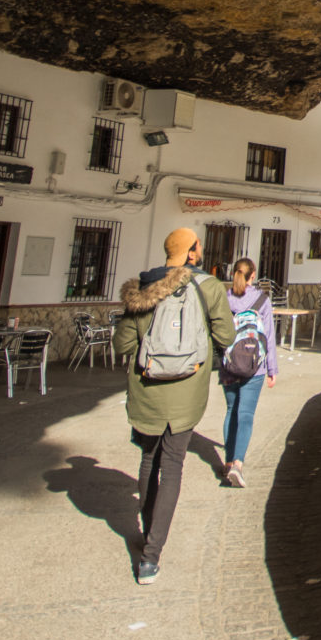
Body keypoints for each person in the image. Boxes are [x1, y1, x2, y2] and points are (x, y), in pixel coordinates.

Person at [113, 227, 231, 586]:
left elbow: (122, 345)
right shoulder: (208, 287)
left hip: (147, 390)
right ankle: (151, 555)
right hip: (187, 391)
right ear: (192, 253)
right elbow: (226, 336)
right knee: (174, 466)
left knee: (149, 460)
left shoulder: (145, 288)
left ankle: (149, 535)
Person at [218, 257, 278, 489]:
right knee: (246, 415)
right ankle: (238, 465)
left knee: (231, 410)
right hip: (256, 366)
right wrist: (272, 368)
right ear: (253, 275)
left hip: (229, 364)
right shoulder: (262, 300)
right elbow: (269, 337)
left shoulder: (225, 299)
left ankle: (228, 460)